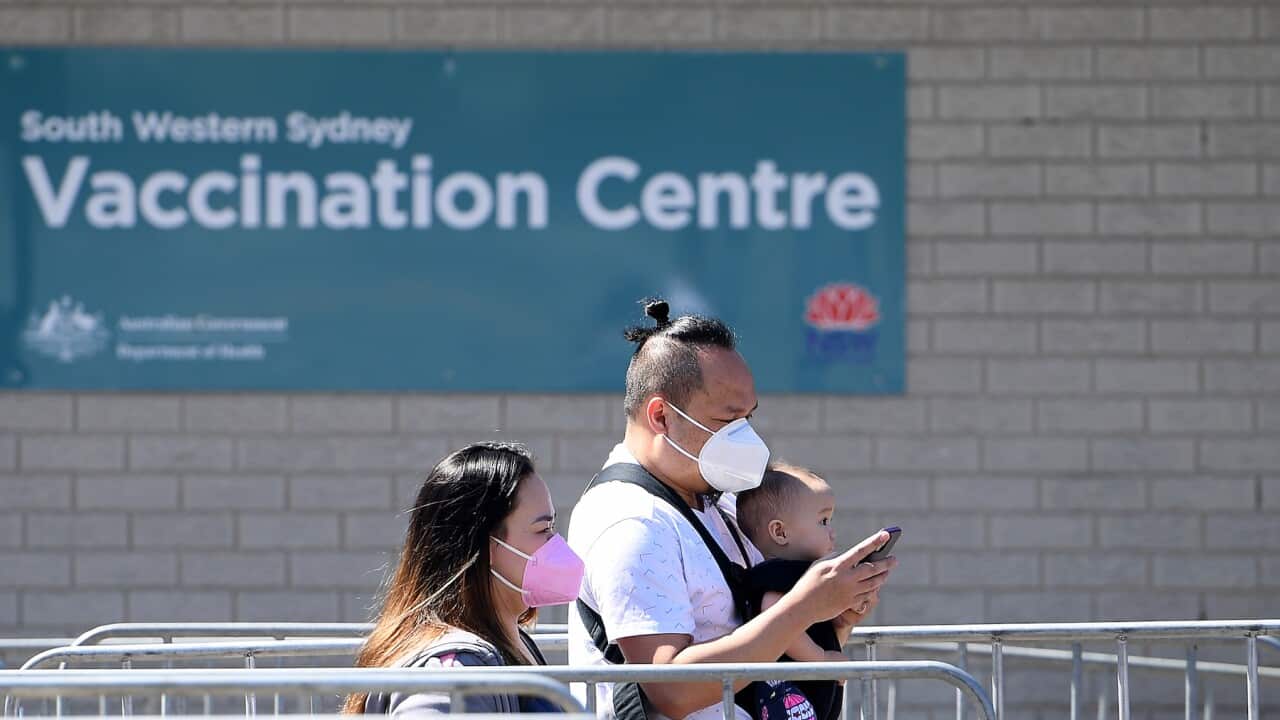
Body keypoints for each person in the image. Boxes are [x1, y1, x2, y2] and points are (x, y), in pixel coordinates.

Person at [567, 299, 896, 720]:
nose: (744, 436)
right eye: (728, 420)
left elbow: (765, 634)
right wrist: (804, 608)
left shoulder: (718, 501)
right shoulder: (632, 520)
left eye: (749, 418)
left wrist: (834, 613)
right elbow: (670, 689)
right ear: (662, 416)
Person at [344, 442, 584, 716]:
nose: (555, 543)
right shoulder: (450, 672)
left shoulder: (511, 639)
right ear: (483, 546)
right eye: (542, 529)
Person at [736, 463, 853, 720]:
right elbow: (774, 615)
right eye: (823, 521)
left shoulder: (804, 575)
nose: (832, 532)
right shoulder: (775, 575)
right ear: (780, 532)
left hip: (811, 691)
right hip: (786, 693)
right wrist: (820, 659)